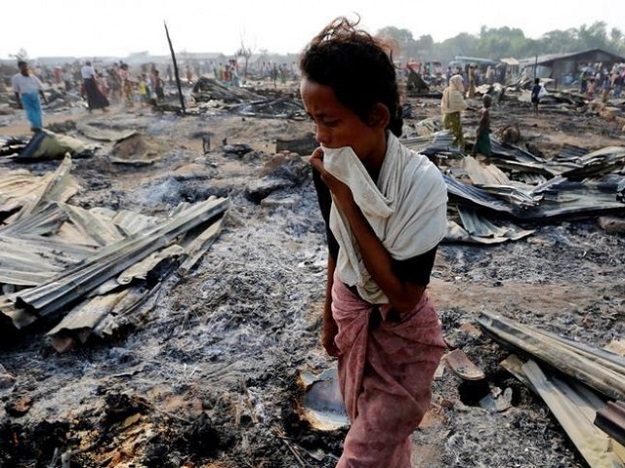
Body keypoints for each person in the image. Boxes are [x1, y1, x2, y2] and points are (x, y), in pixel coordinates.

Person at [300, 17, 447, 467]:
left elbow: (403, 294)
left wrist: (346, 197)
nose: (321, 137)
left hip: (399, 336)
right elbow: (336, 247)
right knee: (377, 433)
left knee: (363, 454)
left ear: (377, 117)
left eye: (330, 121)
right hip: (351, 315)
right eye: (313, 121)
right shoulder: (329, 165)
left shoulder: (421, 184)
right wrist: (329, 318)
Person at [12, 60, 48, 132]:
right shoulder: (16, 78)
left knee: (38, 111)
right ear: (19, 68)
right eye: (23, 66)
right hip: (26, 97)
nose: (25, 68)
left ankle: (39, 126)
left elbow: (40, 88)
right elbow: (16, 91)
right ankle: (35, 126)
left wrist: (44, 98)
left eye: (26, 66)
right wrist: (18, 102)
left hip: (35, 95)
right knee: (31, 112)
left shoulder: (33, 77)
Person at [441, 74, 469, 149]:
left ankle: (449, 148)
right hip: (454, 116)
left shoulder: (447, 90)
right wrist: (475, 109)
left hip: (446, 115)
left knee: (448, 133)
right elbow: (464, 106)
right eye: (461, 82)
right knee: (455, 133)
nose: (462, 84)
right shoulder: (455, 93)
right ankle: (456, 150)